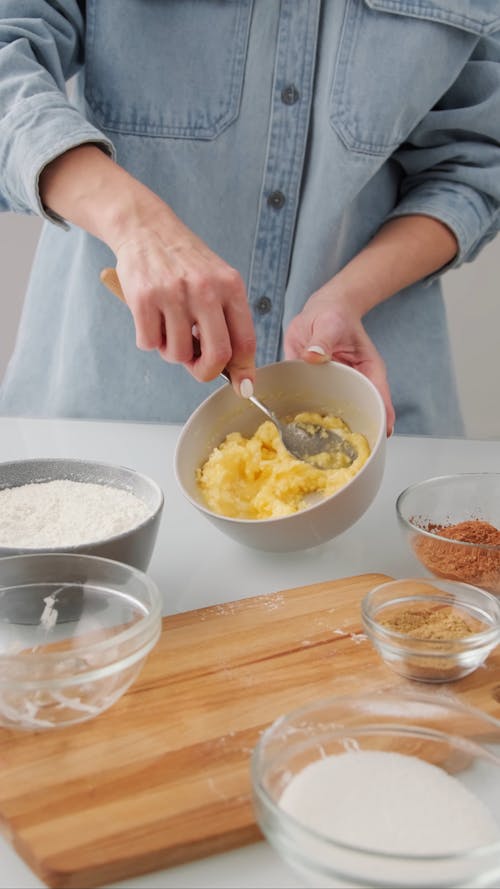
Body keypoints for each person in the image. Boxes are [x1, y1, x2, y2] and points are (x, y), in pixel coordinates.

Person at [1, 1, 499, 437]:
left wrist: (349, 295)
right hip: (102, 418)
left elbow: (478, 160)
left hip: (375, 422)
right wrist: (138, 225)